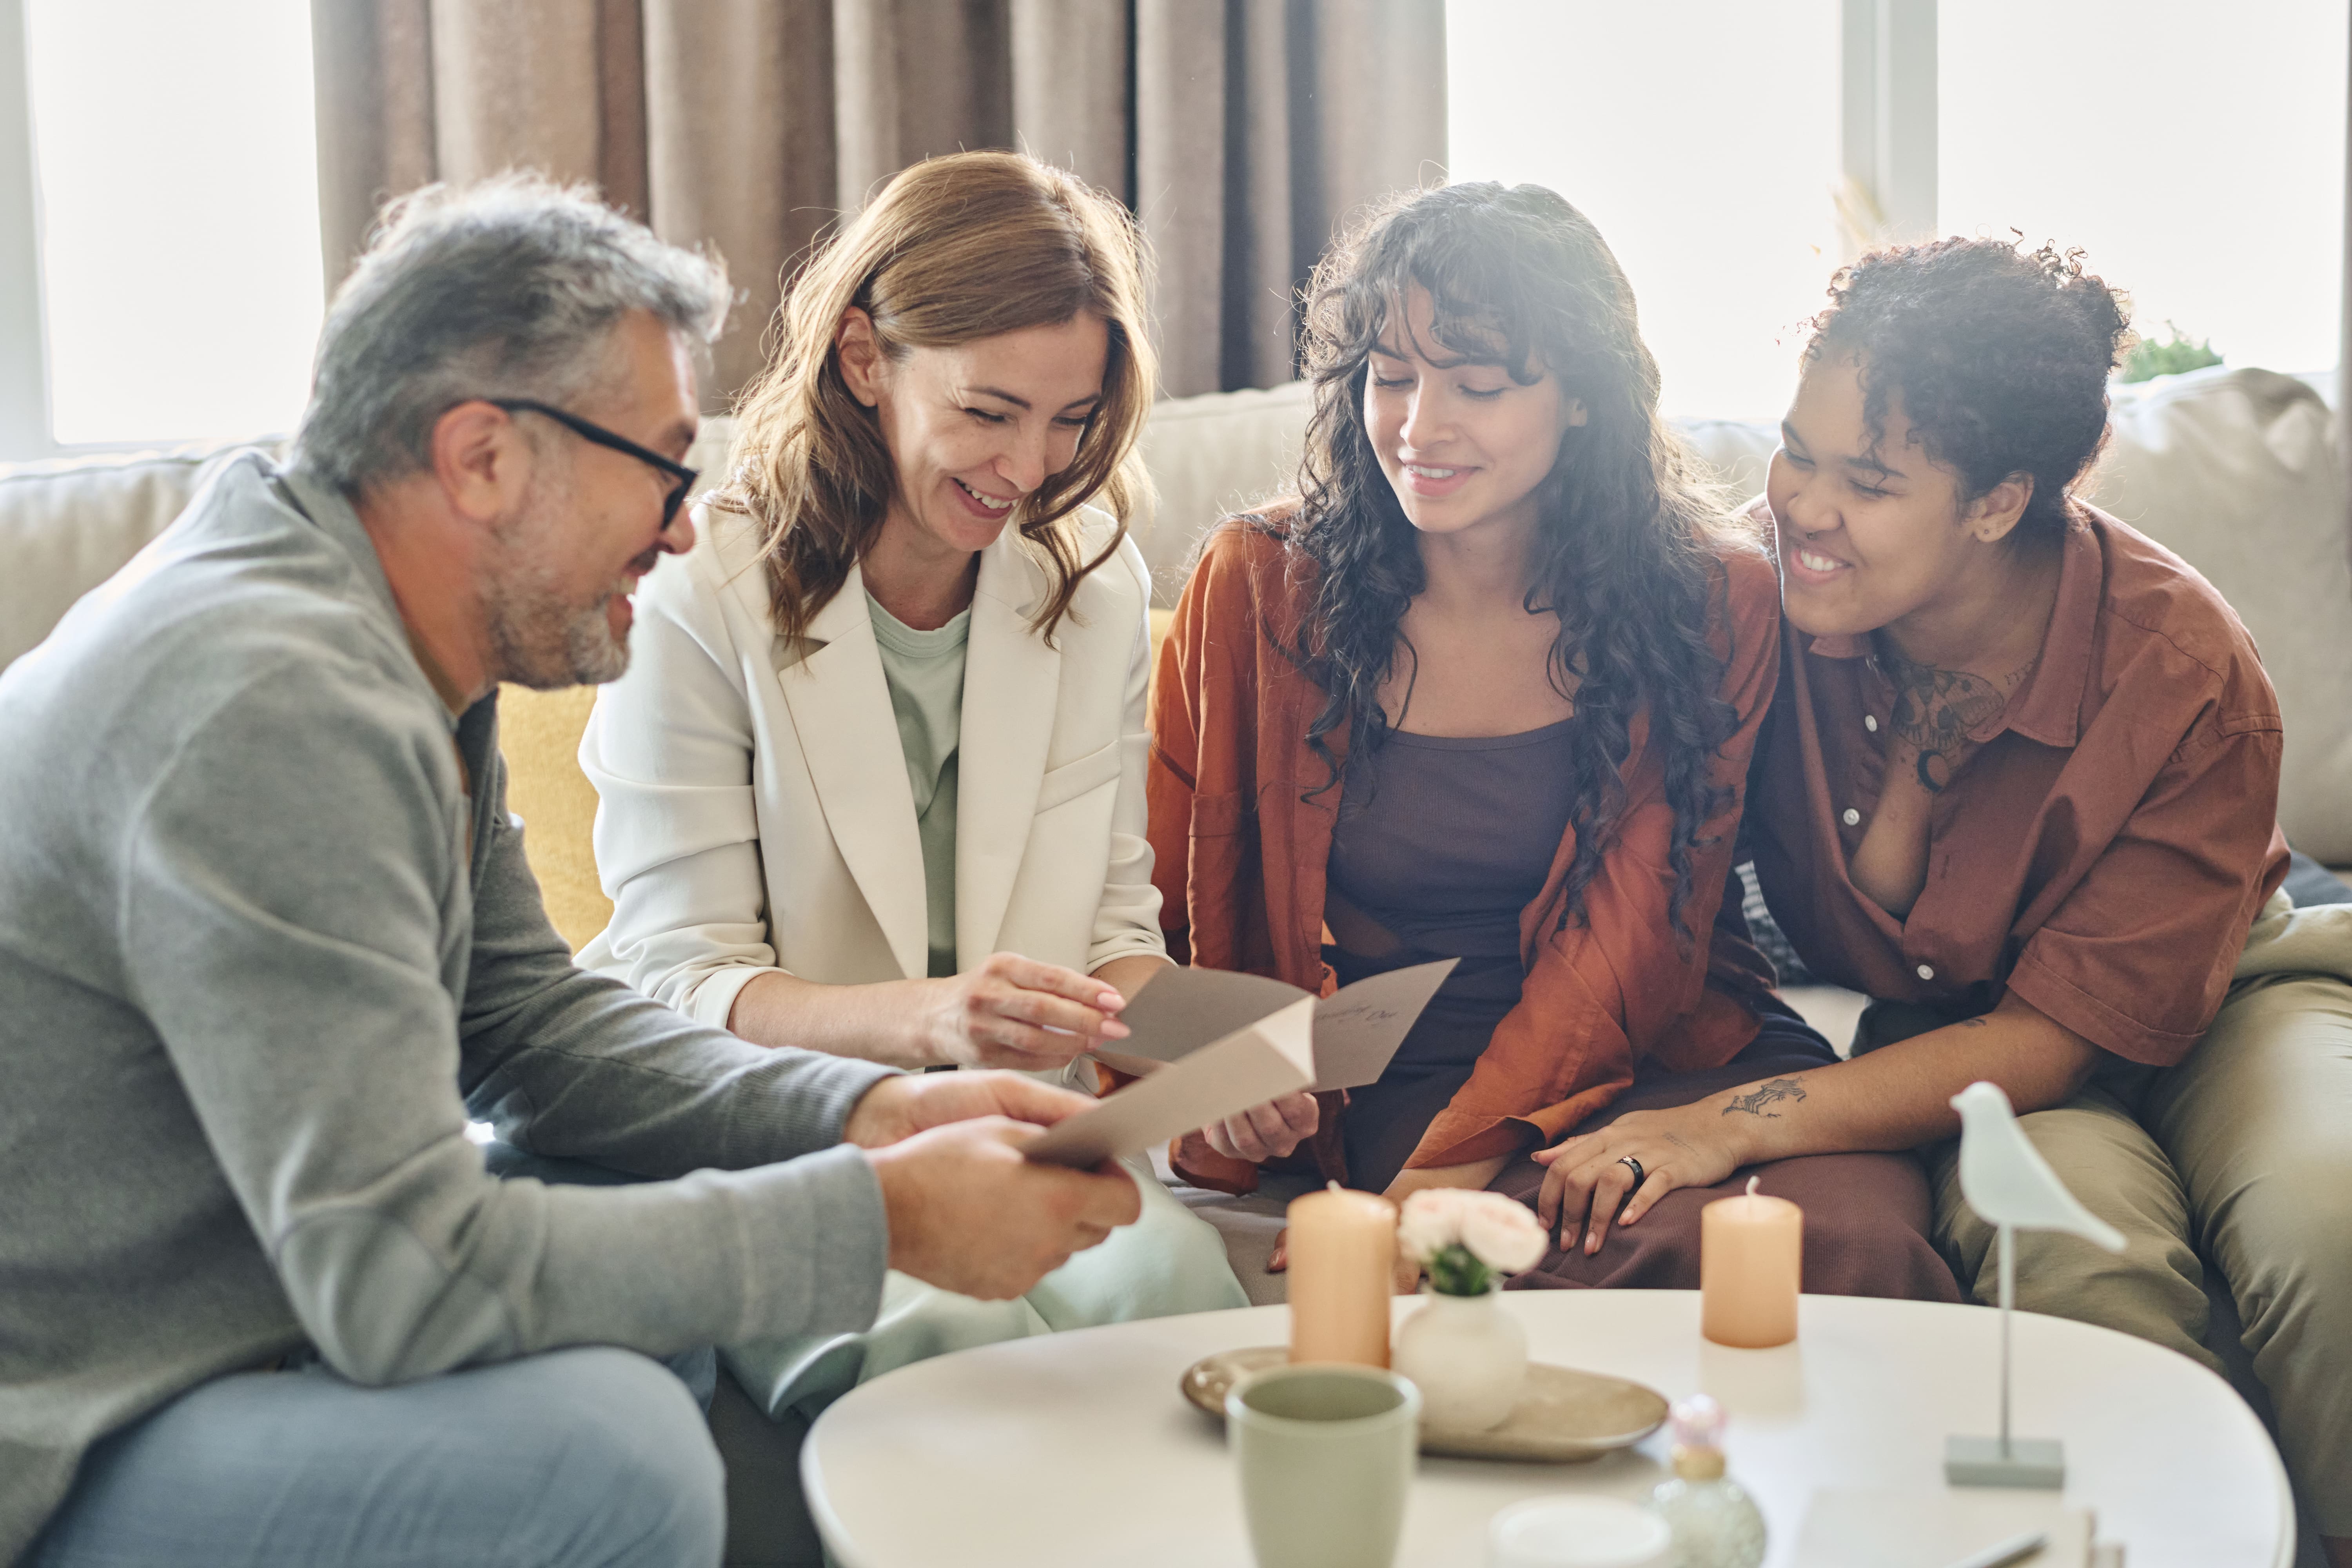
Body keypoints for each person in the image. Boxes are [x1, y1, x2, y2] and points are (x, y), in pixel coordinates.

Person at [0, 177, 1144, 1568]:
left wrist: (872, 1113)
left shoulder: (380, 623)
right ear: (483, 458)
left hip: (242, 1313)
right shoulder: (273, 704)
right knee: (619, 1454)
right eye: (660, 466)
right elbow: (399, 1277)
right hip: (74, 1416)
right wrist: (875, 1217)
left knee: (618, 1280)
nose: (679, 528)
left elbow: (532, 1031)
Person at [1148, 180, 1958, 1302]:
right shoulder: (1259, 587)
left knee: (1844, 1239)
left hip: (1670, 1045)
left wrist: (1424, 1197)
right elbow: (1164, 901)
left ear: (1583, 397)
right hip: (1417, 1073)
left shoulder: (1714, 601)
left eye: (1478, 385)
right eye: (1390, 379)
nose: (1421, 427)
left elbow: (1638, 939)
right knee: (1566, 1265)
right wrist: (1224, 1069)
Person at [1676, 236, 2350, 1561]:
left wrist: (1732, 1126)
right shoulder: (1747, 605)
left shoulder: (2183, 659)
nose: (1804, 506)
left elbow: (2059, 1038)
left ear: (1997, 502)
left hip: (2223, 999)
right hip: (1959, 1045)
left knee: (2331, 1219)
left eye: (1867, 482)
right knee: (2075, 1257)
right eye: (1798, 452)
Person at [577, 150, 1245, 1425]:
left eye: (1069, 420)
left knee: (1178, 1299)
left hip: (1023, 1125)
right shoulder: (698, 592)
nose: (1032, 467)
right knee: (947, 1348)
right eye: (989, 412)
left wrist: (1224, 1055)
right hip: (798, 1137)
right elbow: (675, 984)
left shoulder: (1089, 586)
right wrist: (931, 1021)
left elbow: (1110, 943)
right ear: (864, 360)